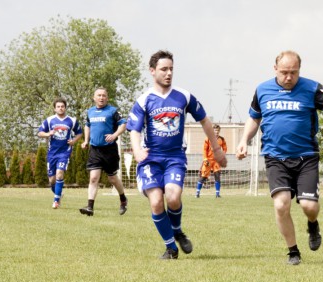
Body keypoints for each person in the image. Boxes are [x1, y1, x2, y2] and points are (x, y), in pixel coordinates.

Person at [236, 50, 323, 265]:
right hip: (276, 157)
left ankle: (313, 224)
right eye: (284, 72)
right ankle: (293, 252)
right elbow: (254, 118)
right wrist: (244, 140)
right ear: (275, 69)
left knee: (309, 207)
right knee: (281, 205)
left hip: (306, 157)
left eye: (294, 72)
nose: (289, 77)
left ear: (299, 70)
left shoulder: (311, 88)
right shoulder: (262, 90)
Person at [127, 50, 227, 260]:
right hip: (151, 159)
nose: (169, 73)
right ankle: (171, 247)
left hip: (175, 157)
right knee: (156, 202)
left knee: (173, 197)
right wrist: (137, 150)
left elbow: (205, 121)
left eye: (171, 69)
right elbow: (134, 130)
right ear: (152, 71)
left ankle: (178, 230)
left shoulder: (184, 96)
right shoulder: (144, 100)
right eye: (164, 69)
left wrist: (217, 149)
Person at [79, 87, 128, 217]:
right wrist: (86, 141)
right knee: (94, 178)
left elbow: (123, 124)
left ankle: (123, 198)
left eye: (104, 95)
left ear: (107, 98)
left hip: (109, 150)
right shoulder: (90, 112)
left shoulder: (112, 111)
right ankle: (90, 207)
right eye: (99, 95)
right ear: (94, 98)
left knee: (112, 178)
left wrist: (114, 134)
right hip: (95, 150)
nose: (101, 98)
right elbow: (87, 125)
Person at [38, 97, 83, 209]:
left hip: (64, 152)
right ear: (54, 109)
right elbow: (40, 133)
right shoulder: (49, 120)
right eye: (58, 106)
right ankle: (59, 194)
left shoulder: (71, 120)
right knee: (51, 180)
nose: (60, 108)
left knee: (59, 173)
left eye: (62, 106)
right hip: (52, 152)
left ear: (65, 108)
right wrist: (48, 134)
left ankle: (56, 201)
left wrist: (73, 141)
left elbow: (80, 132)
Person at [195, 124, 228, 198]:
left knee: (217, 176)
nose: (216, 132)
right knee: (203, 176)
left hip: (216, 161)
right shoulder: (208, 138)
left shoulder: (222, 139)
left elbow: (225, 149)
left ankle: (217, 194)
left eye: (218, 131)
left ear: (219, 131)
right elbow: (204, 149)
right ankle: (197, 193)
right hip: (208, 160)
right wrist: (205, 158)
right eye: (215, 130)